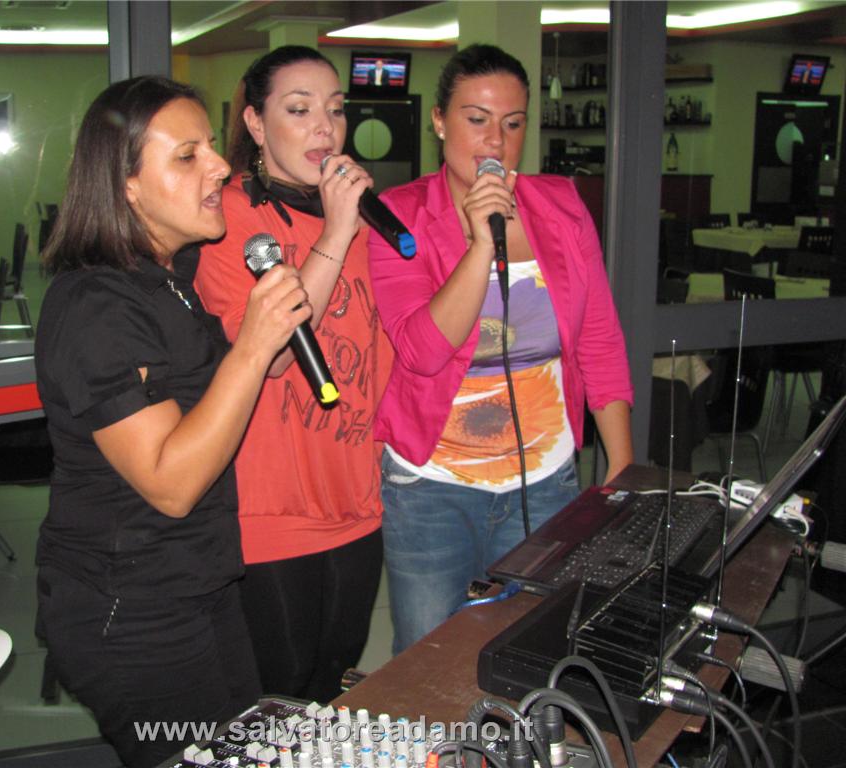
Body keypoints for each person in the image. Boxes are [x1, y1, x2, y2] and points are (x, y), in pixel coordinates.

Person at [34, 76, 310, 767]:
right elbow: (171, 482)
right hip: (129, 609)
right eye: (188, 156)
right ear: (126, 185)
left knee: (245, 751)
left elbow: (220, 395)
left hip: (197, 579)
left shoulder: (169, 280)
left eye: (211, 146)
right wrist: (251, 347)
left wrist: (270, 338)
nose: (219, 166)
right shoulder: (95, 306)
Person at [368, 44, 634, 654]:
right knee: (428, 663)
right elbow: (422, 351)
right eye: (477, 119)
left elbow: (598, 339)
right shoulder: (398, 216)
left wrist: (620, 473)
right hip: (432, 489)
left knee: (531, 656)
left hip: (545, 481)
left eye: (513, 124)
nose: (496, 141)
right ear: (439, 121)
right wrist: (482, 245)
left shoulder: (562, 206)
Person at [195, 45, 390, 702]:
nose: (324, 129)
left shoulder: (360, 215)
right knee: (279, 698)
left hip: (355, 496)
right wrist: (335, 233)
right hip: (272, 504)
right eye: (299, 110)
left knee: (333, 688)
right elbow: (274, 355)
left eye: (335, 110)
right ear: (255, 123)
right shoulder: (228, 218)